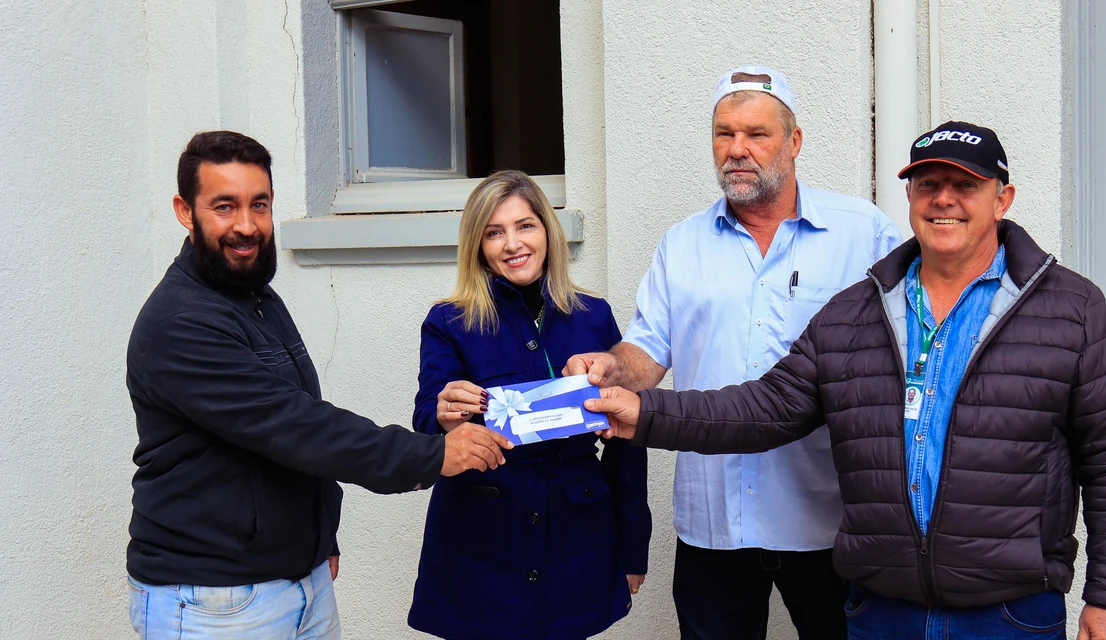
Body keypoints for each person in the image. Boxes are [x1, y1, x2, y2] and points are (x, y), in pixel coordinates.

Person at [589, 122, 1106, 640]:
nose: (944, 199)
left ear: (1002, 198)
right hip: (881, 613)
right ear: (910, 197)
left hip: (1010, 614)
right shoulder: (856, 312)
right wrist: (644, 413)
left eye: (966, 184)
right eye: (928, 184)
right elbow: (765, 408)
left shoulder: (1072, 310)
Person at [125, 131, 512, 640]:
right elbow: (297, 426)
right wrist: (434, 454)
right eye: (224, 206)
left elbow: (297, 420)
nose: (246, 225)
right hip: (214, 603)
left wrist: (319, 535)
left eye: (258, 204)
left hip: (298, 584)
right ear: (184, 211)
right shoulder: (180, 323)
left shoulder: (255, 298)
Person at [566, 65, 900, 639]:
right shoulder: (682, 243)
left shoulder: (863, 234)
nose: (737, 149)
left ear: (794, 141)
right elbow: (649, 348)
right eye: (724, 133)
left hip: (828, 518)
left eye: (756, 134)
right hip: (714, 520)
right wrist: (612, 367)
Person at [407, 170, 651, 640]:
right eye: (494, 232)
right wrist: (442, 413)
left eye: (525, 226)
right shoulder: (449, 321)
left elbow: (627, 443)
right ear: (477, 245)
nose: (512, 243)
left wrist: (633, 544)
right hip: (482, 541)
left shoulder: (593, 315)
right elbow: (426, 420)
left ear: (547, 231)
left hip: (576, 536)